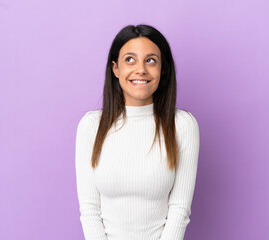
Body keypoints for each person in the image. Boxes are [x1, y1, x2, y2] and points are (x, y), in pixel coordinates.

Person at [75, 24, 200, 240]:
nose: (140, 69)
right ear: (115, 69)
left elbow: (179, 210)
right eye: (130, 59)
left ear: (163, 69)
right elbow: (89, 211)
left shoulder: (182, 125)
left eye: (150, 60)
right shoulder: (91, 126)